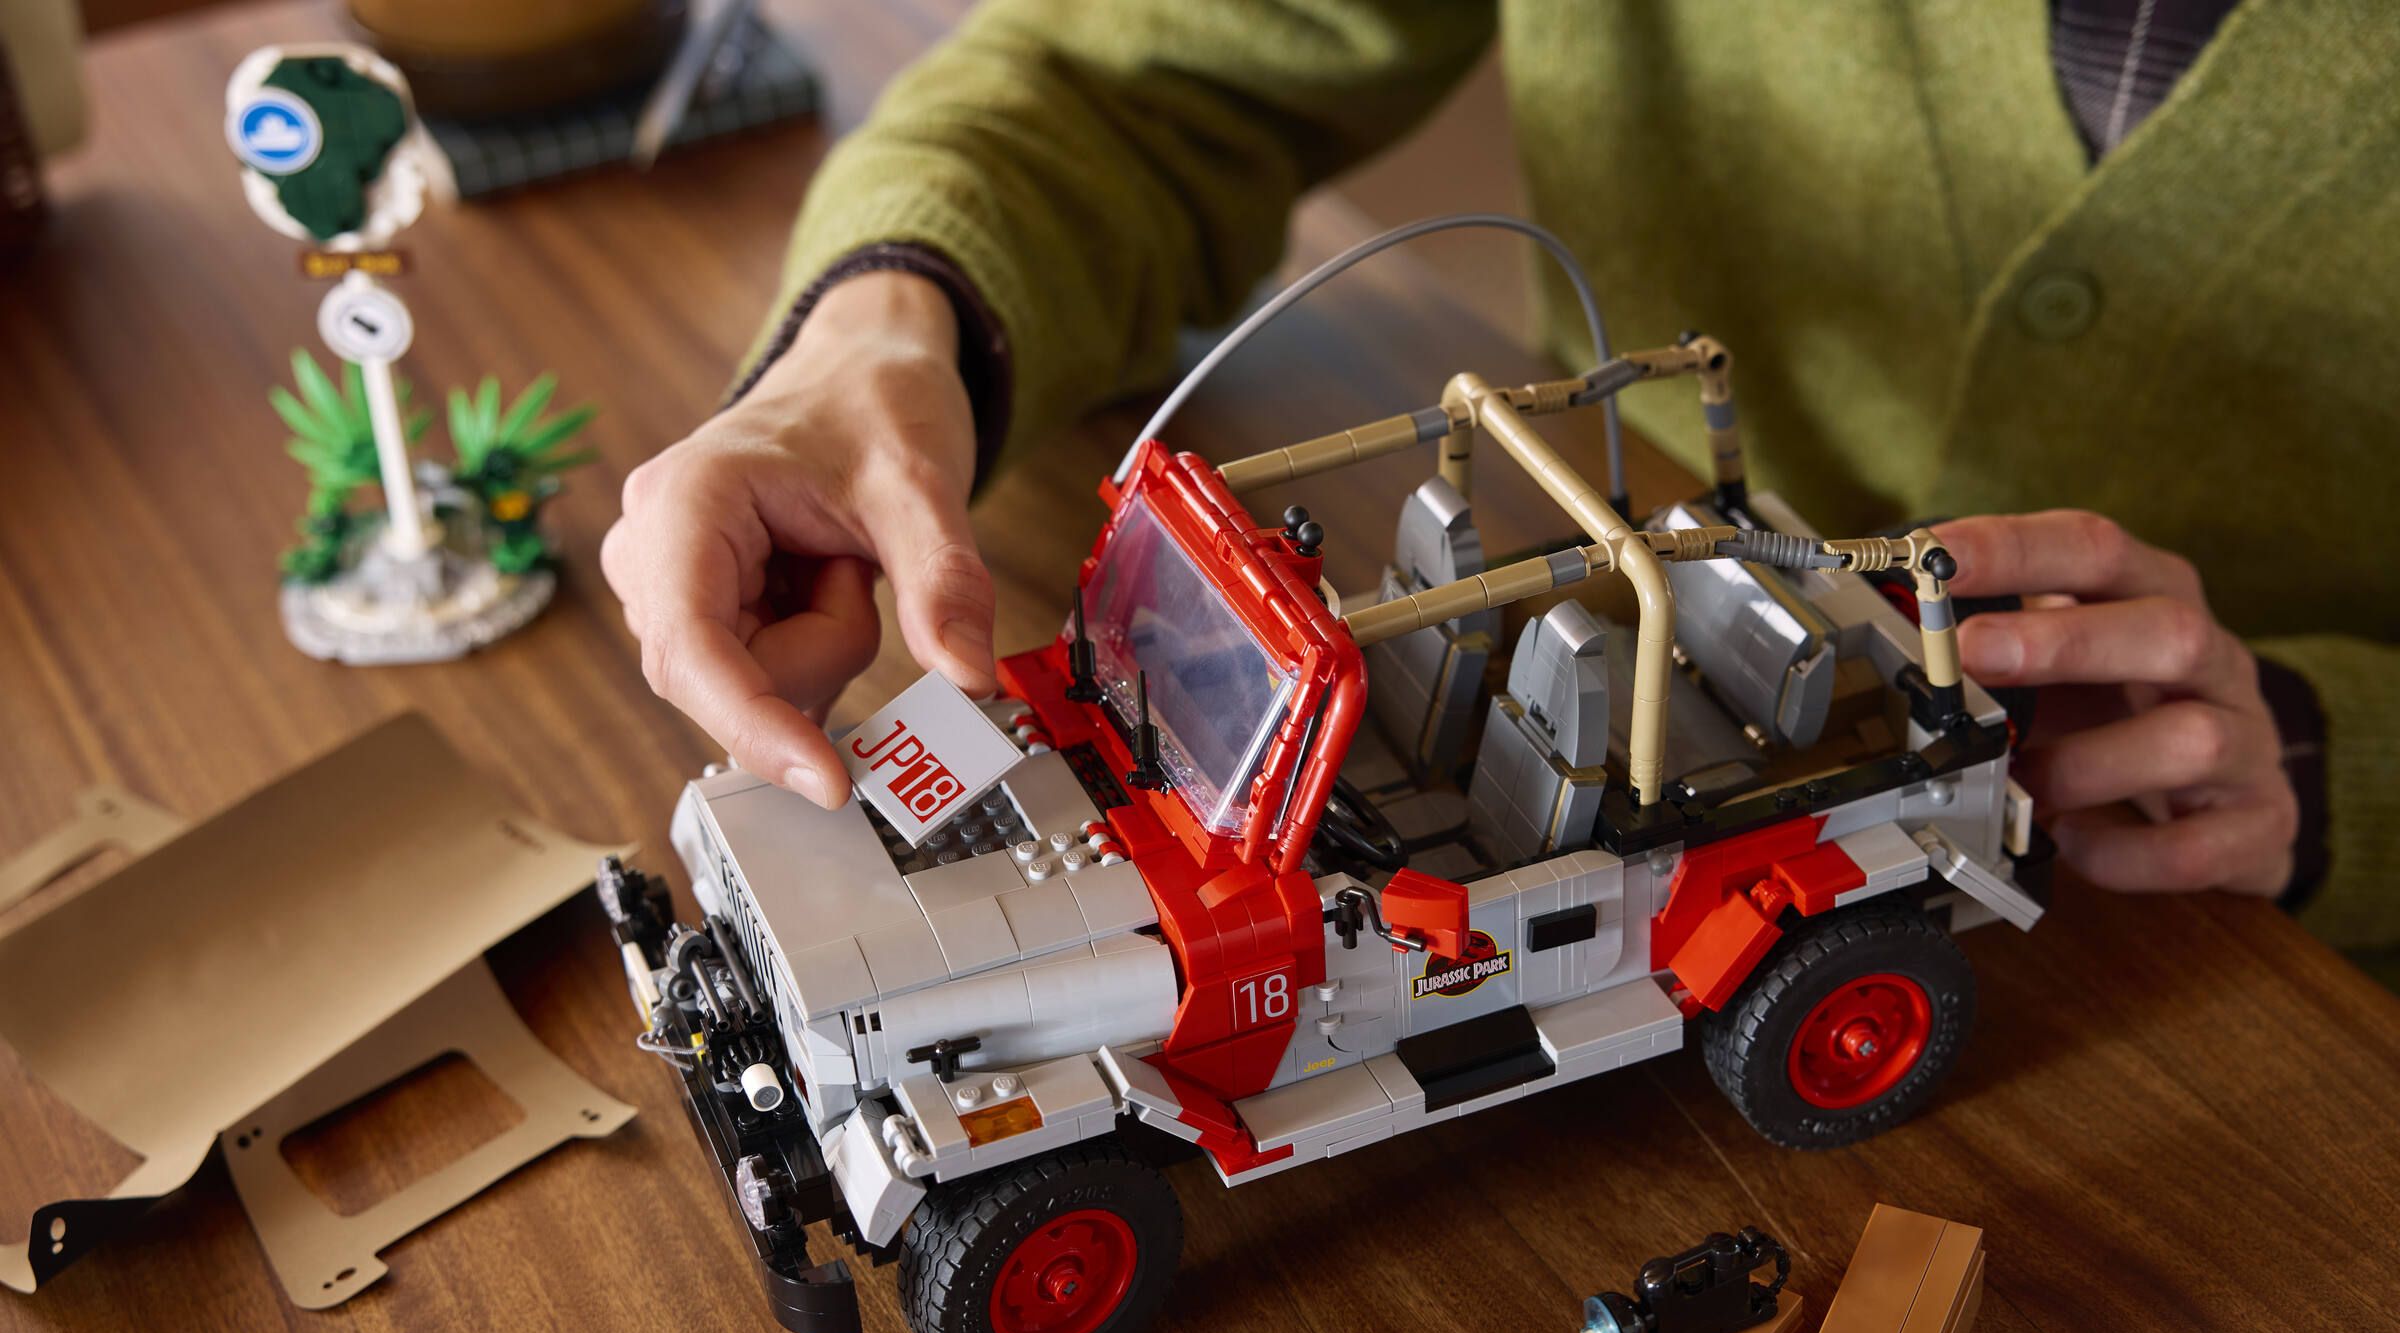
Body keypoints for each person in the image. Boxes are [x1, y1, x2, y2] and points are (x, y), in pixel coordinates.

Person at [601, 0, 2396, 976]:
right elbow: (1138, 70)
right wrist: (882, 329)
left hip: (2256, 943)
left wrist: (2349, 763)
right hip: (1664, 585)